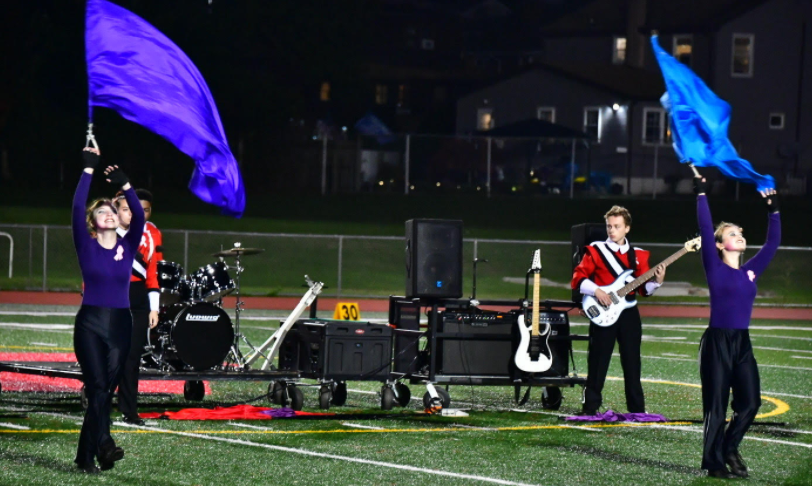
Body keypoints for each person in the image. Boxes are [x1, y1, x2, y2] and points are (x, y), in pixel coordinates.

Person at [694, 177, 780, 479]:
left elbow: (772, 243)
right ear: (720, 244)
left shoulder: (751, 272)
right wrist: (702, 193)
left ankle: (730, 447)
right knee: (716, 407)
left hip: (742, 342)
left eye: (740, 233)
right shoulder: (714, 266)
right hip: (717, 341)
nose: (740, 236)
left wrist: (774, 211)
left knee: (751, 402)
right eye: (732, 234)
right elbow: (705, 228)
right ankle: (715, 465)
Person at [72, 147, 144, 473]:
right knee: (99, 388)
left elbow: (140, 216)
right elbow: (76, 208)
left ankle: (87, 456)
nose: (110, 213)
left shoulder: (128, 245)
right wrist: (88, 170)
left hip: (120, 324)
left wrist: (126, 185)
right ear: (93, 222)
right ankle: (105, 444)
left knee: (102, 394)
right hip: (90, 323)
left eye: (112, 210)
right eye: (102, 211)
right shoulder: (85, 244)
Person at [571, 205, 666, 416]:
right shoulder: (595, 250)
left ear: (627, 228)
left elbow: (643, 290)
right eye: (609, 226)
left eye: (617, 226)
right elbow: (578, 278)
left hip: (629, 314)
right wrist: (596, 291)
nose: (612, 230)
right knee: (597, 361)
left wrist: (657, 282)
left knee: (632, 362)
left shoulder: (639, 256)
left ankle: (637, 409)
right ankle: (590, 407)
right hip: (603, 309)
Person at [115, 188, 163, 426]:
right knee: (110, 355)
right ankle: (99, 405)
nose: (135, 214)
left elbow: (152, 272)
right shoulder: (106, 231)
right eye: (128, 209)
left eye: (142, 210)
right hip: (112, 296)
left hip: (139, 298)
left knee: (132, 357)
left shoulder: (152, 233)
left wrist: (154, 307)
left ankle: (129, 411)